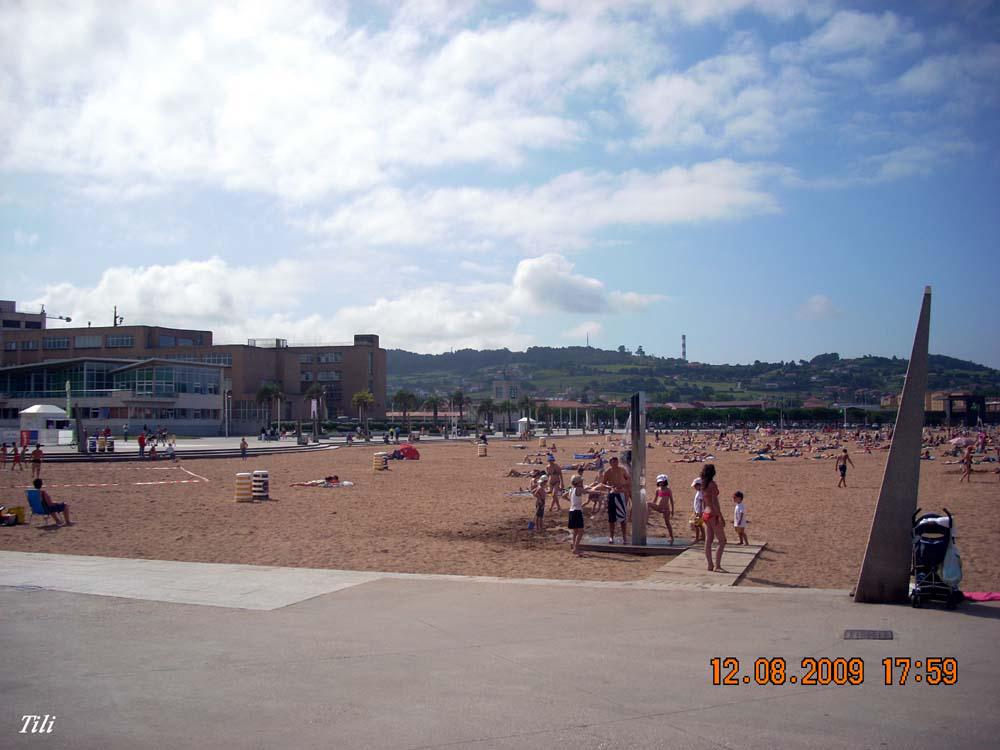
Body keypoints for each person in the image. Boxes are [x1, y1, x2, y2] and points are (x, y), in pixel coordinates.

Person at [700, 464, 727, 572]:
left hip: (705, 513)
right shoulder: (712, 485)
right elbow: (715, 502)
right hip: (712, 513)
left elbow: (703, 501)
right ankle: (717, 566)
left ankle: (710, 565)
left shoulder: (703, 484)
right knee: (722, 540)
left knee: (708, 540)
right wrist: (720, 516)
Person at [600, 455, 630, 544]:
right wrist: (610, 487)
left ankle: (624, 537)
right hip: (612, 494)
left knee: (623, 517)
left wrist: (622, 485)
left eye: (616, 462)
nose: (615, 464)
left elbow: (629, 480)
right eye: (613, 462)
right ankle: (611, 537)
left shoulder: (622, 470)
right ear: (610, 463)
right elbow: (603, 484)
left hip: (621, 494)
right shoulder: (608, 472)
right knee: (611, 517)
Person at [649, 473, 674, 544]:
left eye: (662, 482)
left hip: (666, 509)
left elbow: (671, 500)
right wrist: (652, 506)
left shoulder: (668, 490)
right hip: (659, 507)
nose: (660, 483)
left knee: (667, 523)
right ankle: (646, 519)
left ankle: (671, 537)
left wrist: (672, 510)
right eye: (659, 482)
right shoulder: (658, 490)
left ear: (665, 481)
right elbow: (655, 499)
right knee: (648, 504)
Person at [567, 474, 586, 555]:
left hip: (571, 511)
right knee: (581, 531)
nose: (582, 482)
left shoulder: (572, 489)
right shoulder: (578, 489)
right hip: (577, 511)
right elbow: (587, 491)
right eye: (581, 481)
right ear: (578, 482)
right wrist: (599, 491)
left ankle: (574, 547)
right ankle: (575, 548)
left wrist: (572, 502)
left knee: (575, 531)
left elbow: (563, 496)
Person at [689, 477, 704, 543]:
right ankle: (703, 536)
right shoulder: (699, 492)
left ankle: (697, 538)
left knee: (696, 525)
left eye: (696, 486)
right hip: (697, 511)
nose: (694, 487)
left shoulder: (700, 493)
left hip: (699, 512)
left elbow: (701, 503)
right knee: (699, 525)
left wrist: (699, 512)